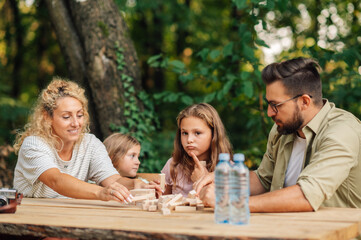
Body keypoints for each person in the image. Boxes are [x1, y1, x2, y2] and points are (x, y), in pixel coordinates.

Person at [194, 57, 361, 211]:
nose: (269, 113)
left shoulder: (342, 131)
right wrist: (225, 180)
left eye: (275, 105)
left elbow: (307, 196)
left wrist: (230, 202)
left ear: (304, 102)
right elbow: (263, 180)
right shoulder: (282, 129)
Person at [13, 77, 161, 203]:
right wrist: (100, 193)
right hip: (33, 220)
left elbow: (112, 180)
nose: (76, 123)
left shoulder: (90, 144)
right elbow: (56, 180)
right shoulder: (34, 144)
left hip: (73, 218)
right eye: (66, 116)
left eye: (79, 115)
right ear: (47, 117)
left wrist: (134, 184)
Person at [161, 103, 232, 197]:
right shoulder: (173, 164)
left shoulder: (230, 169)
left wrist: (203, 178)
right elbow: (164, 199)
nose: (189, 139)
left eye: (197, 133)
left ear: (214, 134)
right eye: (185, 133)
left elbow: (229, 204)